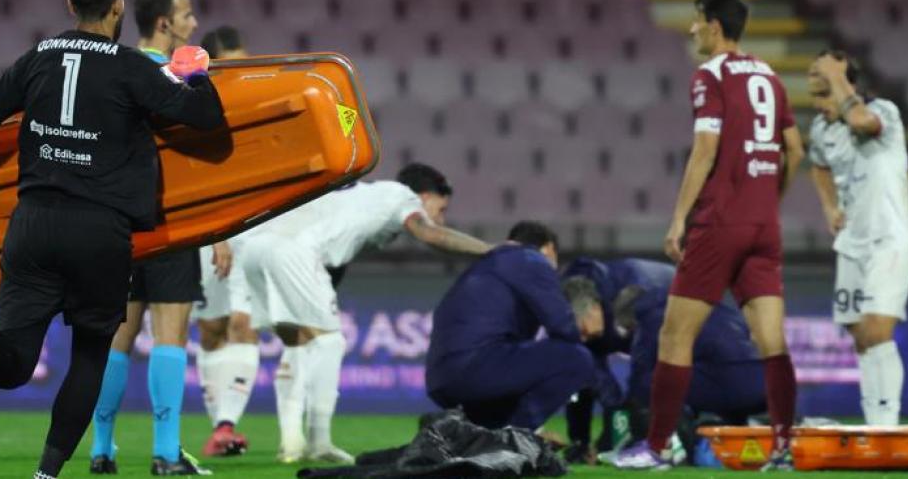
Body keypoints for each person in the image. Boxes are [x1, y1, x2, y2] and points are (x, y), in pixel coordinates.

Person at [0, 0, 225, 479]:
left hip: (33, 224)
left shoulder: (36, 59)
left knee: (15, 365)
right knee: (90, 355)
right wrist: (196, 70)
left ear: (70, 6)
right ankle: (46, 473)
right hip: (100, 230)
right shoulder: (130, 66)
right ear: (117, 9)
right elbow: (204, 119)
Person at [611, 0, 804, 470]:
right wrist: (768, 200)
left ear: (714, 26)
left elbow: (705, 149)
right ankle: (783, 448)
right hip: (764, 224)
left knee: (674, 339)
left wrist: (678, 218)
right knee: (772, 342)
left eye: (697, 20)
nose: (693, 29)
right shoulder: (770, 75)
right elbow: (795, 150)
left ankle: (654, 449)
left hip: (720, 222)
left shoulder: (709, 74)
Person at [234, 163, 491, 463]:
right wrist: (491, 250)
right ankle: (319, 441)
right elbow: (430, 234)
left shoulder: (365, 197)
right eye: (441, 207)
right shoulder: (403, 198)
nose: (441, 217)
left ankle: (291, 442)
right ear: (424, 195)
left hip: (255, 247)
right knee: (329, 341)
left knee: (299, 343)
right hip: (293, 251)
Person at [89, 0, 216, 476]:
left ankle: (102, 449)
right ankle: (166, 453)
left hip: (120, 224)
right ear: (164, 23)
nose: (193, 24)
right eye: (186, 15)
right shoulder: (174, 76)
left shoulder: (115, 71)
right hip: (170, 220)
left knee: (117, 337)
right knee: (169, 335)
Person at [807, 50, 908, 426]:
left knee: (876, 330)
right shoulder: (822, 130)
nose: (819, 104)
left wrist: (837, 78)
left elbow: (859, 119)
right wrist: (828, 208)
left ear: (846, 85)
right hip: (852, 244)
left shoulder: (883, 111)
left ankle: (886, 426)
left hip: (891, 240)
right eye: (815, 95)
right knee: (859, 336)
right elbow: (818, 166)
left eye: (824, 93)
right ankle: (875, 422)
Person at [562, 257, 766, 464]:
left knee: (655, 383)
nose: (584, 338)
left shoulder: (648, 315)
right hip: (762, 379)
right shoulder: (663, 305)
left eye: (582, 330)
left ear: (594, 308)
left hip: (729, 375)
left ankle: (668, 444)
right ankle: (714, 432)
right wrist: (587, 438)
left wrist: (627, 424)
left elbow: (640, 381)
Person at [426, 220, 603, 432]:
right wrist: (584, 337)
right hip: (476, 370)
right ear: (549, 248)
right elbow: (562, 326)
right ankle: (517, 438)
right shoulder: (532, 259)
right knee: (576, 358)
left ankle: (463, 433)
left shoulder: (484, 266)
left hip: (440, 380)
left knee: (517, 381)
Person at [190, 27, 258, 457]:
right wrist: (218, 232)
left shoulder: (251, 104)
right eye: (232, 60)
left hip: (250, 229)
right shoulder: (198, 109)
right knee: (213, 330)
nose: (241, 68)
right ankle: (220, 430)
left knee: (243, 324)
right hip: (208, 230)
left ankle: (228, 424)